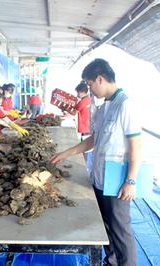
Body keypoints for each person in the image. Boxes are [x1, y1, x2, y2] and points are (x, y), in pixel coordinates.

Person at [51, 58, 141, 266]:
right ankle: (111, 262)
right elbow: (94, 140)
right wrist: (66, 153)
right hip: (100, 177)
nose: (89, 89)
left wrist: (131, 181)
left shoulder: (125, 104)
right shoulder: (104, 106)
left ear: (100, 79)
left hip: (117, 180)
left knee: (121, 228)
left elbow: (136, 145)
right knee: (106, 226)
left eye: (90, 84)